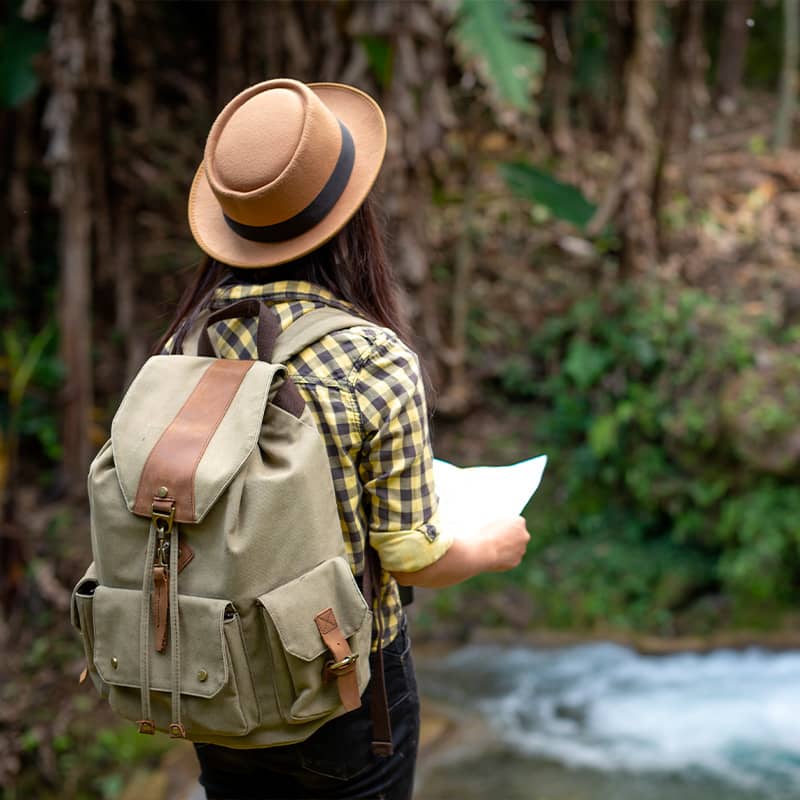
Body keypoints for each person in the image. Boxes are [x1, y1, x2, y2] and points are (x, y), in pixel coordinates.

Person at [156, 78, 530, 800]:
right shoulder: (371, 357)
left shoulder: (184, 343)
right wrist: (491, 548)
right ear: (353, 220)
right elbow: (410, 555)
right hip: (346, 690)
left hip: (210, 677)